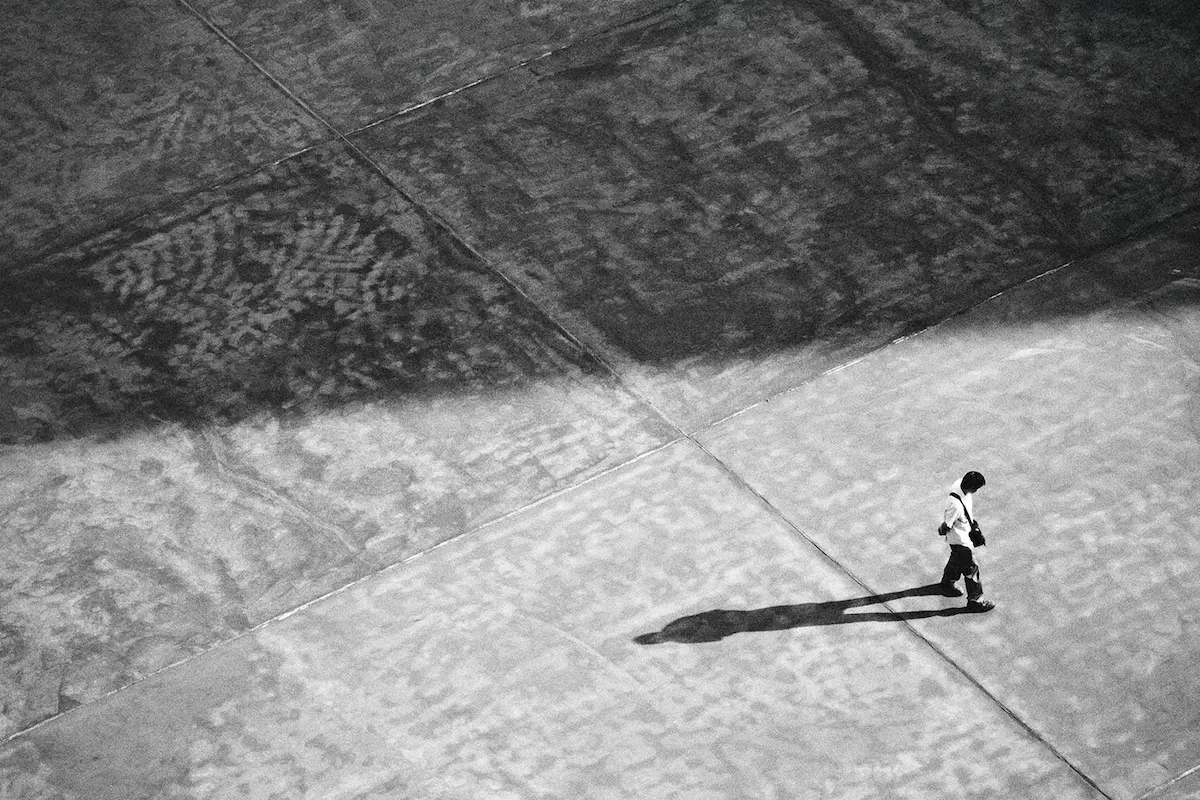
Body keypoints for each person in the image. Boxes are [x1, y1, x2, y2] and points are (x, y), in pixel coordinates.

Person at [939, 470, 995, 612]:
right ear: (972, 488)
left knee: (956, 560)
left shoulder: (959, 485)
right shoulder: (955, 506)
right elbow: (946, 526)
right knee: (971, 569)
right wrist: (941, 529)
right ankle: (975, 601)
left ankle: (947, 584)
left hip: (959, 539)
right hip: (960, 541)